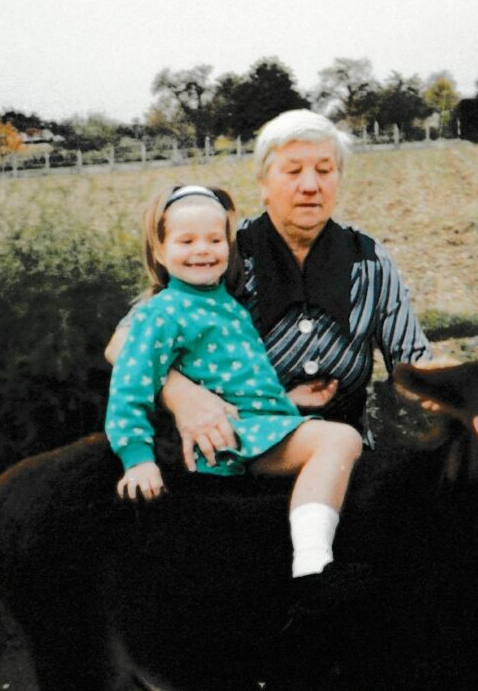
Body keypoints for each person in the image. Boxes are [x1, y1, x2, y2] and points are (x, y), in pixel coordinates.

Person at [106, 109, 431, 463]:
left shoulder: (369, 261)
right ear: (263, 184)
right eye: (292, 171)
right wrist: (182, 395)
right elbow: (122, 342)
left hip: (346, 457)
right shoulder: (223, 251)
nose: (310, 185)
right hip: (231, 454)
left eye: (324, 170)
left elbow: (412, 364)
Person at [106, 184, 363, 580]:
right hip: (233, 437)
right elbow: (130, 384)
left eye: (214, 239)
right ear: (159, 251)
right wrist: (136, 458)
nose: (202, 250)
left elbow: (235, 380)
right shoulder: (160, 313)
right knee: (342, 439)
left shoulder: (225, 304)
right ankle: (313, 563)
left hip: (256, 423)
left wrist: (288, 398)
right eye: (186, 241)